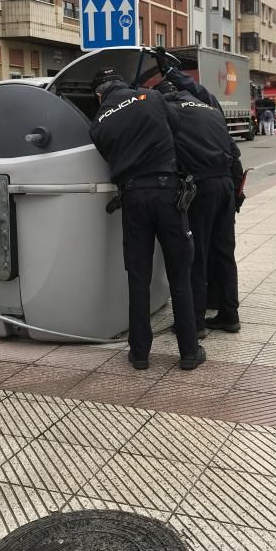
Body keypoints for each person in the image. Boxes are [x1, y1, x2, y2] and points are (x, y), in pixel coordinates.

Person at [89, 68, 206, 372]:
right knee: (179, 273)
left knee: (138, 277)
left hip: (133, 199)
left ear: (99, 95)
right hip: (168, 194)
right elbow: (178, 124)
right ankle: (189, 352)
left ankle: (140, 354)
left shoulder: (98, 124)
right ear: (121, 84)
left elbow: (109, 156)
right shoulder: (150, 97)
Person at [154, 79, 243, 335]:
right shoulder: (210, 110)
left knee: (197, 255)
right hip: (225, 185)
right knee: (224, 253)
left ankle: (195, 322)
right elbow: (234, 151)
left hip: (200, 189)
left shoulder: (171, 113)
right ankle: (230, 315)